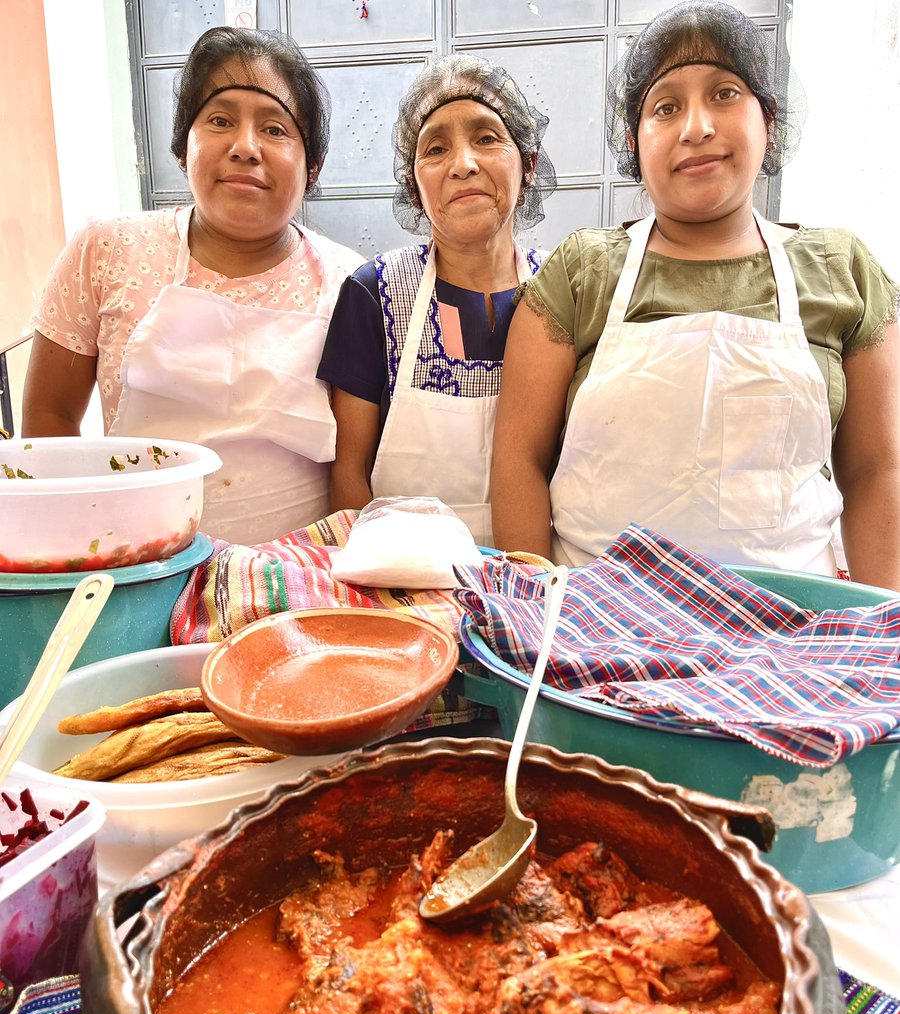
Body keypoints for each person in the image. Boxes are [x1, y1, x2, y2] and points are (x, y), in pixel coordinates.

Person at [491, 0, 900, 589]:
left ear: (770, 120)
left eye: (725, 94)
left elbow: (876, 471)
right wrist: (540, 619)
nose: (697, 126)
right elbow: (519, 462)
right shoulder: (580, 273)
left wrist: (875, 635)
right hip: (599, 638)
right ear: (633, 141)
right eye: (666, 107)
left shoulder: (843, 271)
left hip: (788, 643)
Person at [23, 27, 362, 545]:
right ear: (184, 145)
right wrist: (76, 543)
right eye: (221, 120)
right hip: (136, 573)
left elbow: (355, 466)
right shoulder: (106, 250)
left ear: (311, 165)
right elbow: (49, 418)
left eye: (275, 130)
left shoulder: (349, 284)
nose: (246, 148)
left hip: (291, 583)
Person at [317, 54, 557, 546]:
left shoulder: (563, 290)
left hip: (532, 582)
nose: (463, 164)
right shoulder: (372, 293)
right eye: (436, 149)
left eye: (487, 138)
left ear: (528, 164)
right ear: (414, 184)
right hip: (404, 590)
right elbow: (348, 473)